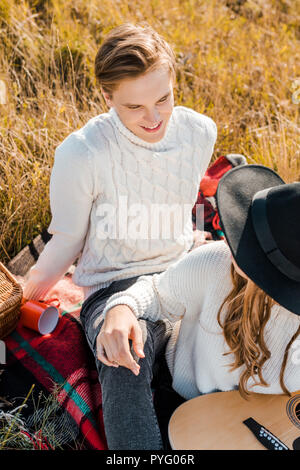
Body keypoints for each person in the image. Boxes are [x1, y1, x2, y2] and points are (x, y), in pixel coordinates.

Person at [23, 23, 218, 449]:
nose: (154, 118)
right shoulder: (82, 152)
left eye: (164, 98)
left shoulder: (201, 132)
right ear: (107, 98)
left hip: (183, 271)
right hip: (114, 286)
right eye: (135, 107)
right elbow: (68, 238)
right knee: (123, 360)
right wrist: (25, 293)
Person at [101, 164, 300, 448]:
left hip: (263, 423)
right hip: (185, 406)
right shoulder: (213, 264)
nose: (233, 232)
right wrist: (121, 308)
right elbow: (155, 293)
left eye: (249, 239)